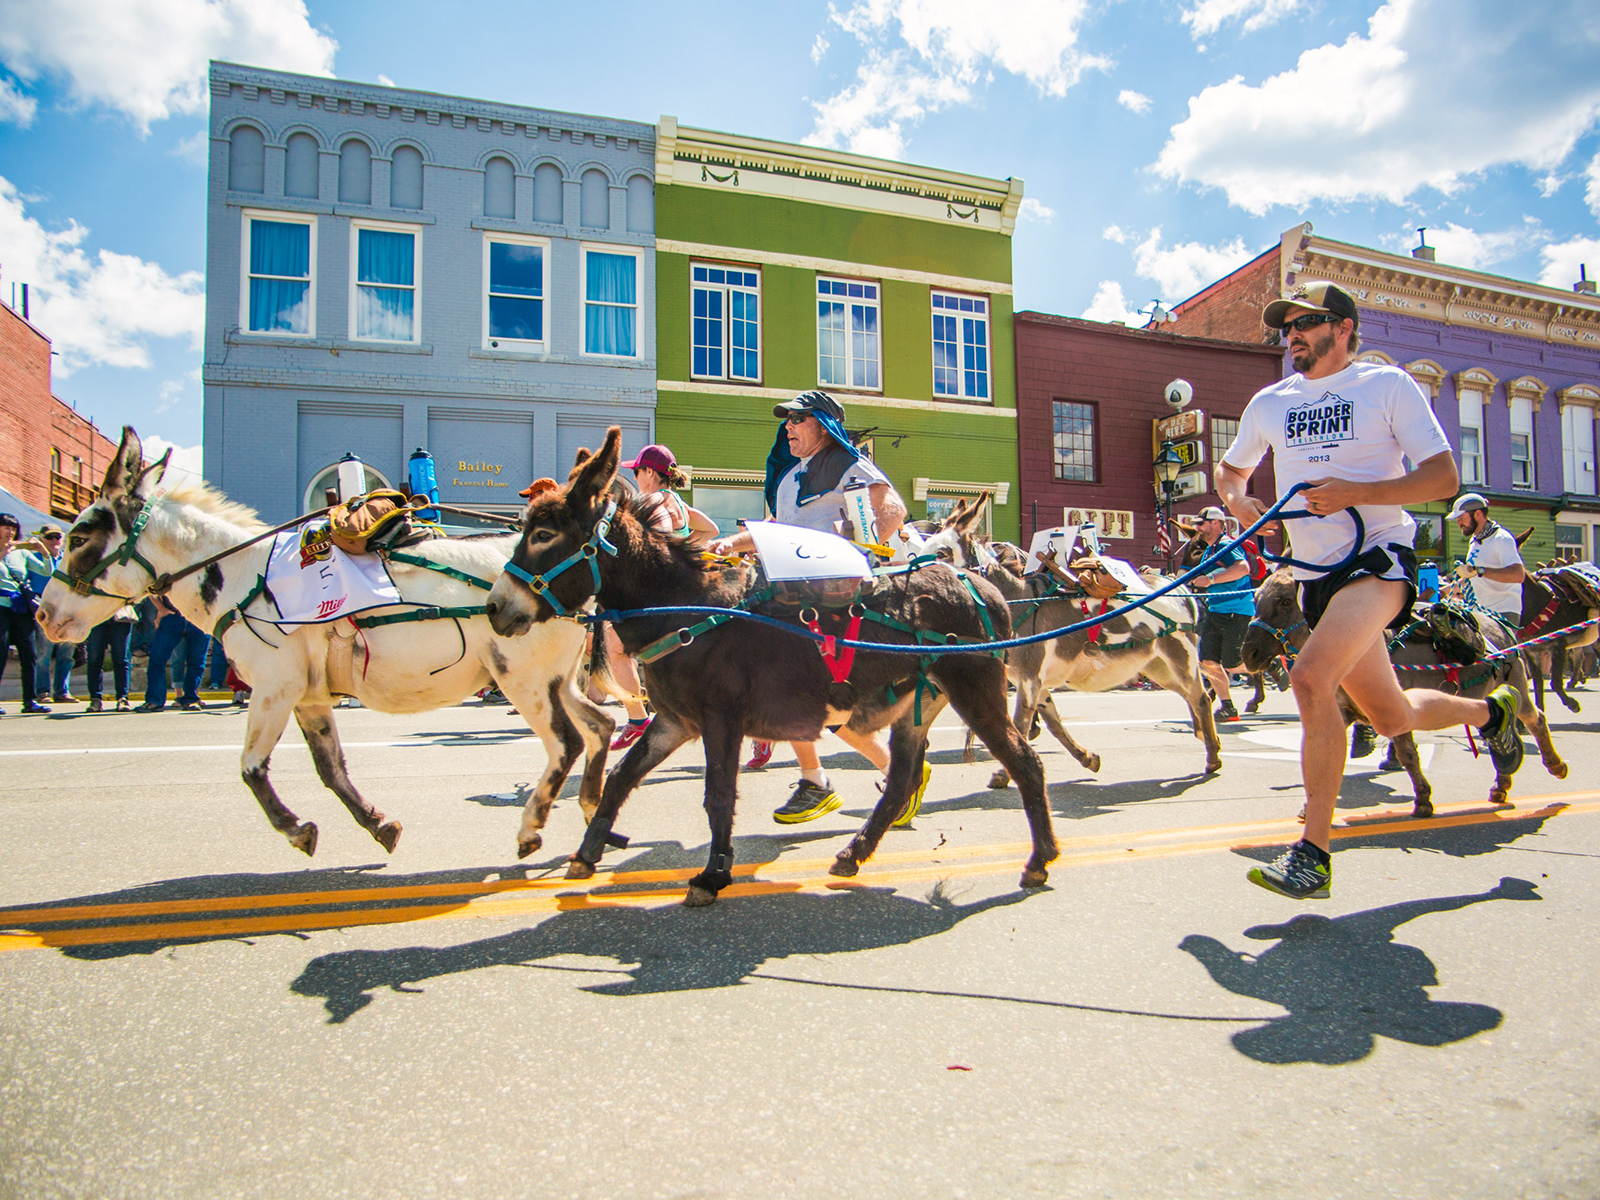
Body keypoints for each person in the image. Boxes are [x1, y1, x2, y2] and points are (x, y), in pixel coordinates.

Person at [1216, 281, 1526, 900]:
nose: (1293, 335)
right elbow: (1231, 470)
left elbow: (1442, 476)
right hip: (1312, 577)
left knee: (1308, 677)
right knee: (1391, 717)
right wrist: (1240, 499)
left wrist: (1356, 492)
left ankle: (1314, 855)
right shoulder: (1269, 402)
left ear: (1344, 328)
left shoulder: (1386, 386)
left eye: (1306, 324)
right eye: (1287, 328)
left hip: (1377, 559)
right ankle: (1493, 712)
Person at [708, 390, 926, 824]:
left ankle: (843, 778)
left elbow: (892, 510)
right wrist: (730, 543)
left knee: (803, 695)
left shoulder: (849, 464)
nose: (787, 427)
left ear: (823, 425)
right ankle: (838, 779)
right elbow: (776, 528)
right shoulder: (791, 478)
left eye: (797, 420)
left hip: (830, 595)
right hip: (788, 591)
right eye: (786, 421)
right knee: (788, 693)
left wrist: (863, 553)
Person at [609, 443, 719, 750]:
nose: (635, 477)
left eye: (637, 471)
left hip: (660, 596)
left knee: (613, 647)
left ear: (648, 473)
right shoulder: (680, 504)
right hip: (682, 593)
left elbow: (658, 536)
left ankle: (637, 719)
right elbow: (709, 529)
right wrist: (686, 551)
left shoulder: (653, 499)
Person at [1188, 505, 1254, 722]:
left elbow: (1243, 568)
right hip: (1216, 610)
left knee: (1232, 664)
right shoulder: (1210, 549)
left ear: (1216, 523)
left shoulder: (1225, 544)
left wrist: (1210, 580)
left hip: (1236, 610)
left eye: (1201, 523)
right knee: (1208, 662)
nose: (1197, 528)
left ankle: (1268, 665)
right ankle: (1228, 708)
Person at [1448, 493, 1525, 622]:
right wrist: (1440, 592)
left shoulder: (1501, 539)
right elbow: (1472, 576)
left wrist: (1479, 570)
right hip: (1480, 613)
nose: (1459, 524)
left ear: (1478, 514)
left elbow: (1518, 575)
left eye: (1461, 518)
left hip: (1503, 613)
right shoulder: (1474, 541)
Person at [0, 512, 49, 714]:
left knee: (29, 654)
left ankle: (30, 701)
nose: (10, 531)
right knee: (0, 653)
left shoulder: (21, 552)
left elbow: (46, 571)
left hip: (21, 608)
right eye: (5, 527)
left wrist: (43, 552)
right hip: (1, 607)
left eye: (13, 528)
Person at [21, 525, 76, 702]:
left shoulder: (67, 559)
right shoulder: (33, 558)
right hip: (44, 608)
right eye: (50, 537)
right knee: (43, 654)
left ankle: (62, 691)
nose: (55, 541)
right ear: (42, 539)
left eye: (58, 537)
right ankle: (42, 692)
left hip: (67, 608)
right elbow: (26, 582)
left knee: (66, 653)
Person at [138, 595, 209, 712]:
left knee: (197, 662)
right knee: (157, 659)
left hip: (199, 615)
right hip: (172, 616)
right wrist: (161, 609)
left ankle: (191, 699)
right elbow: (150, 588)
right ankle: (155, 700)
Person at [84, 605, 138, 711]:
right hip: (96, 616)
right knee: (94, 660)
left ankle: (122, 698)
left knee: (121, 659)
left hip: (120, 615)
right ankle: (95, 699)